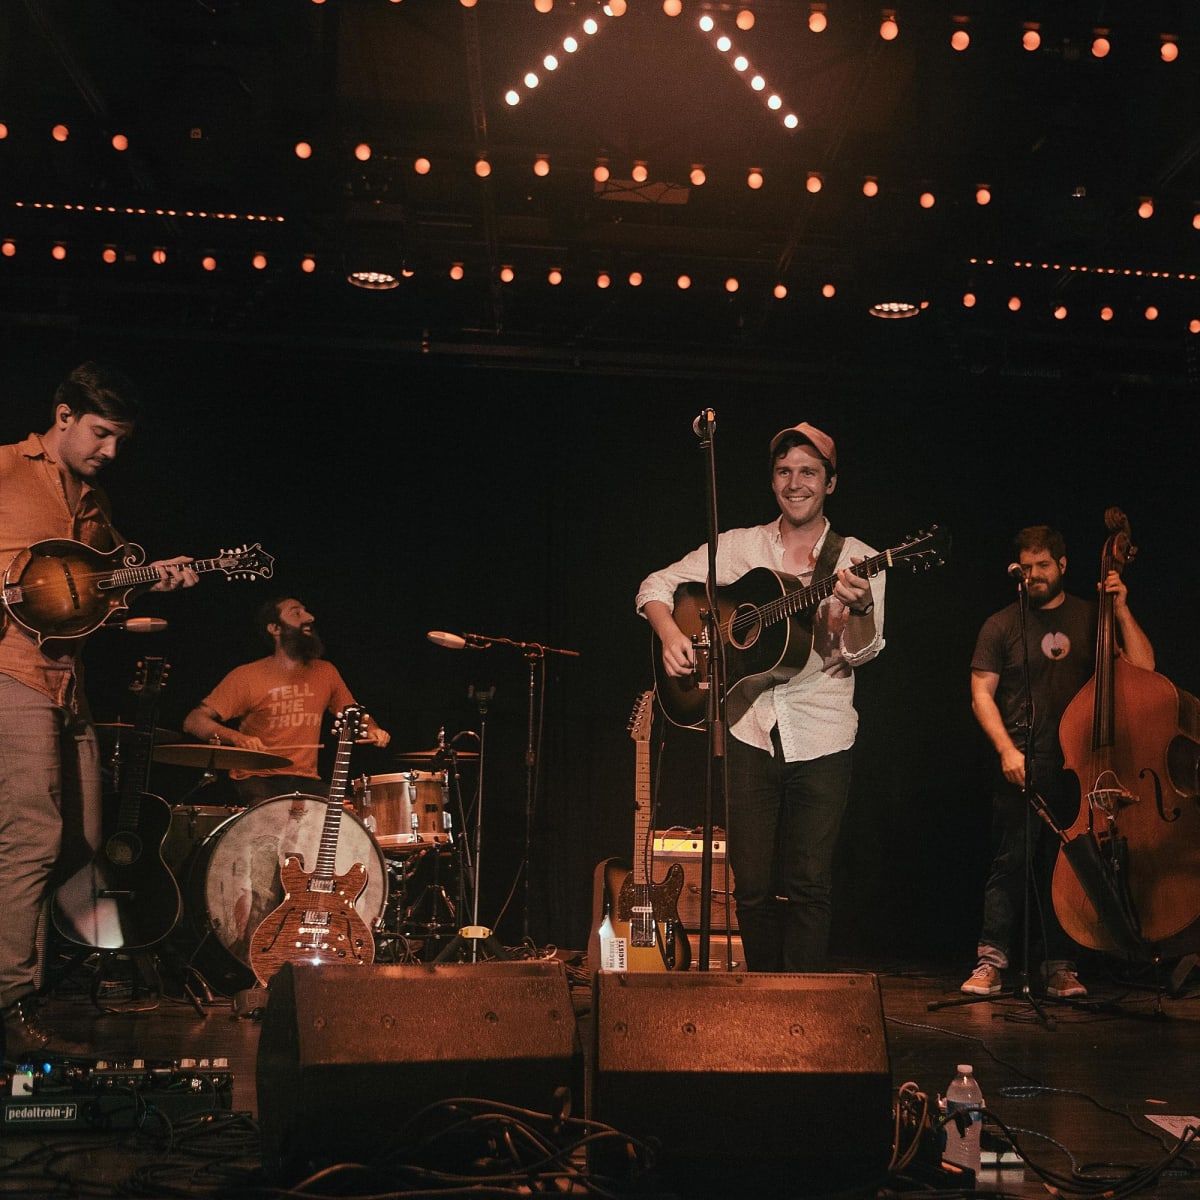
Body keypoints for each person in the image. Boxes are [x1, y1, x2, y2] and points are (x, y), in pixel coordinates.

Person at [636, 422, 885, 972]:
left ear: (831, 483)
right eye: (784, 471)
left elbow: (863, 653)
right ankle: (762, 1002)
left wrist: (861, 610)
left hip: (821, 734)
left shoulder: (858, 559)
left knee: (808, 885)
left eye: (809, 472)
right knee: (748, 886)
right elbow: (654, 584)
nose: (795, 483)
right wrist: (673, 635)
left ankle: (804, 1007)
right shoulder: (740, 546)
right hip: (747, 729)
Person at [0, 362, 198, 1053]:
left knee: (82, 844)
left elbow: (99, 594)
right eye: (102, 434)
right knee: (31, 836)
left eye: (120, 440)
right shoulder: (4, 469)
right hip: (9, 673)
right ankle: (13, 1007)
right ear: (63, 416)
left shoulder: (93, 505)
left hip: (67, 684)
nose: (111, 452)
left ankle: (20, 986)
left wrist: (151, 582)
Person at [962, 525, 1154, 999]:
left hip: (1078, 767)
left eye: (1043, 566)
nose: (1034, 576)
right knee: (1010, 863)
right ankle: (990, 962)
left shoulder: (1093, 617)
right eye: (1026, 568)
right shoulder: (1002, 624)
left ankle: (1061, 967)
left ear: (1063, 565)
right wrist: (1006, 749)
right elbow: (980, 694)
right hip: (1022, 760)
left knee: (1064, 868)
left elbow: (1144, 668)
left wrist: (1122, 607)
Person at [182, 595, 391, 805]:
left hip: (305, 780)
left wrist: (372, 729)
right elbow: (194, 721)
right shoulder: (246, 676)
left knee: (346, 816)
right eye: (296, 613)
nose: (309, 617)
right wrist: (237, 738)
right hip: (258, 778)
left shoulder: (325, 671)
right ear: (274, 628)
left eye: (306, 611)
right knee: (274, 820)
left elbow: (353, 713)